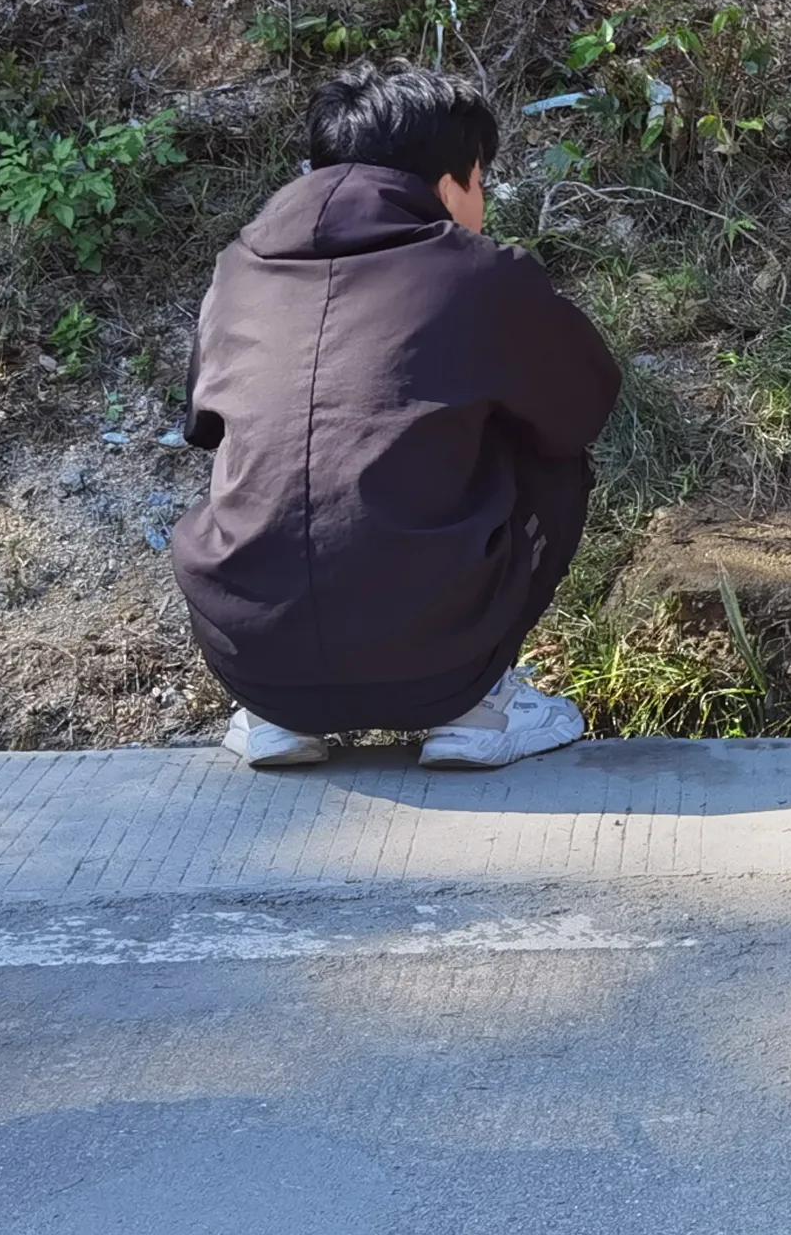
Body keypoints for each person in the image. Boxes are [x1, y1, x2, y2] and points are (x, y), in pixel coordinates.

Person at [172, 63, 621, 770]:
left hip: (253, 661)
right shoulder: (480, 273)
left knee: (262, 460)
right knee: (549, 454)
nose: (481, 202)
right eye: (480, 182)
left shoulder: (238, 269)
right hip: (437, 669)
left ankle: (279, 719)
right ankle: (478, 709)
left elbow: (203, 425)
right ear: (449, 184)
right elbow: (581, 405)